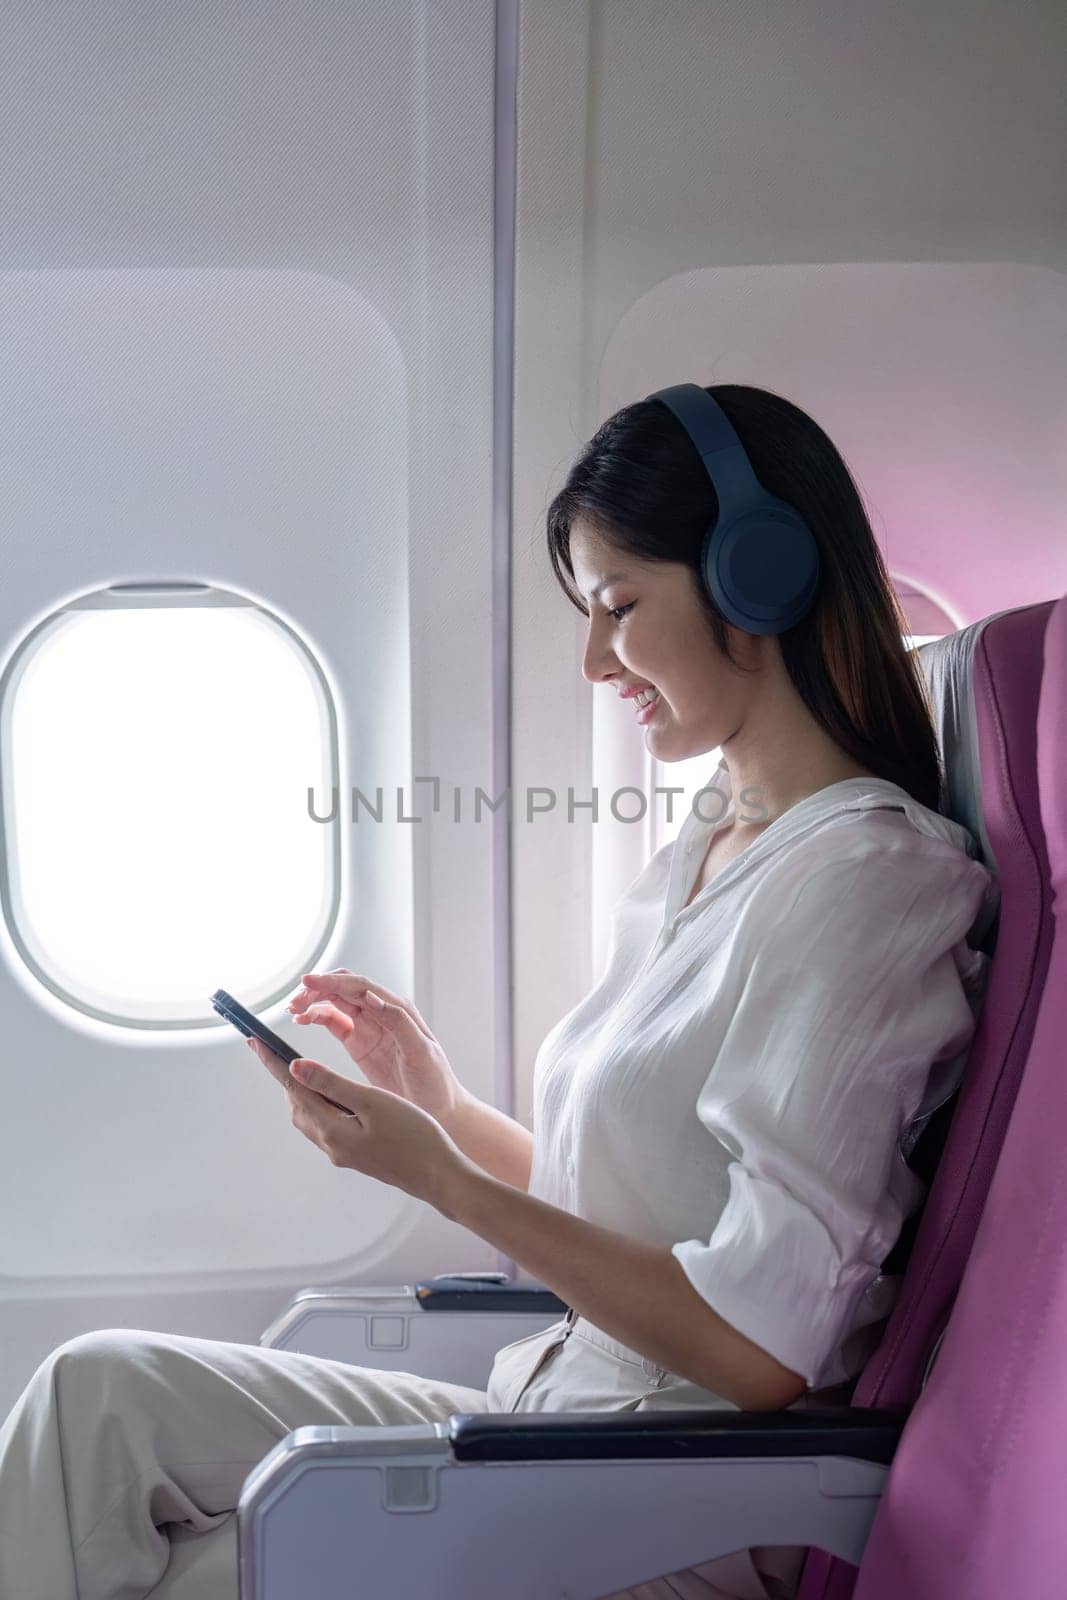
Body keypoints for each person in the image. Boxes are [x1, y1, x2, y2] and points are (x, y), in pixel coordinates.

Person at [0, 384, 998, 1599]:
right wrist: (443, 1107)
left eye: (619, 607)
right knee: (97, 1395)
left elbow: (756, 1353)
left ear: (761, 577)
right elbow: (640, 1214)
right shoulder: (713, 838)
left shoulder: (870, 882)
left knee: (169, 1574)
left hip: (660, 1498)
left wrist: (437, 1177)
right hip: (557, 1418)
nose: (591, 659)